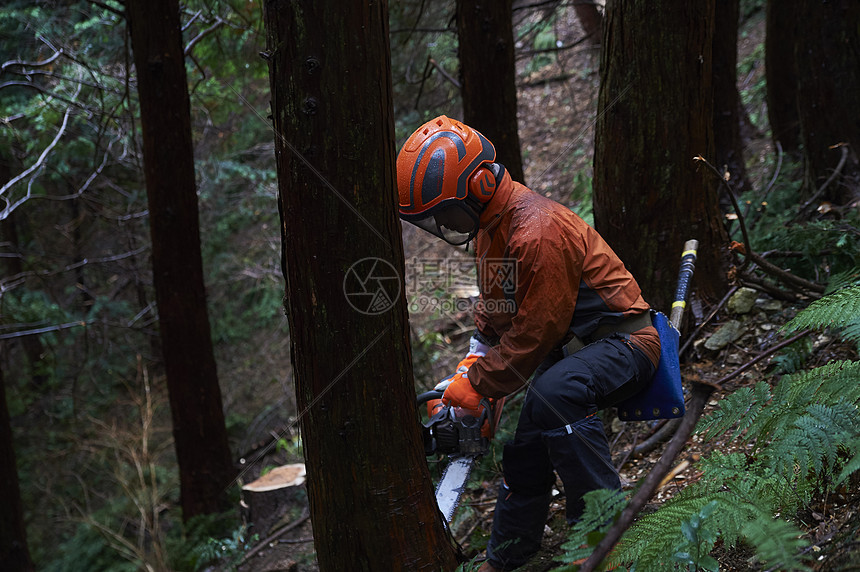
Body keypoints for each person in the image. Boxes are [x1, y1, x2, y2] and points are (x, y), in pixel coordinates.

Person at [397, 115, 660, 571]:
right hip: (570, 357)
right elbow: (497, 316)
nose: (444, 223)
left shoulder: (537, 229)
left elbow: (536, 332)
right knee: (527, 440)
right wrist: (471, 369)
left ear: (478, 185)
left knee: (553, 394)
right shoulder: (491, 232)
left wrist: (480, 383)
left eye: (446, 213)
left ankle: (605, 534)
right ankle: (507, 557)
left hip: (623, 343)